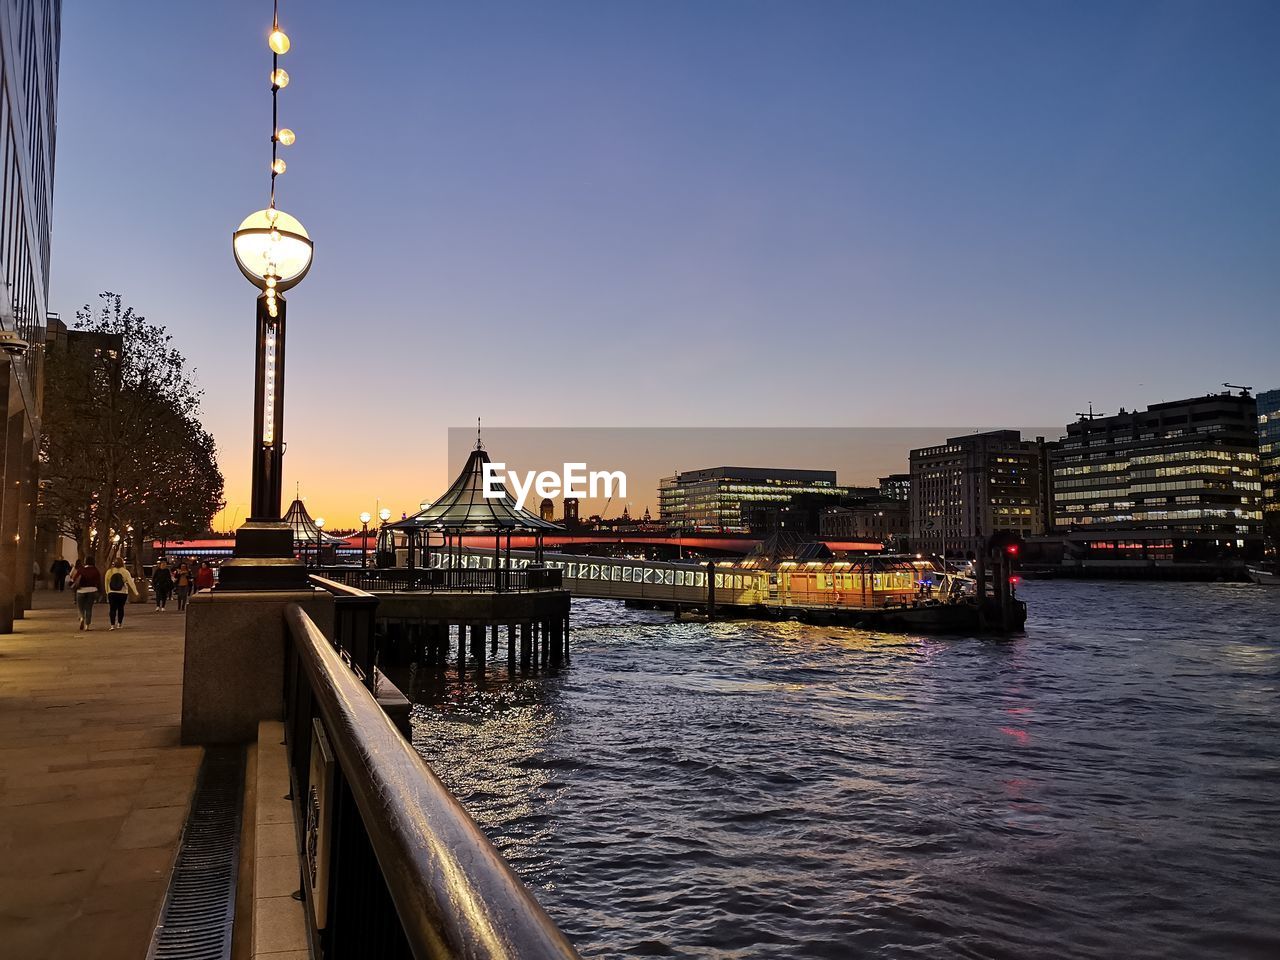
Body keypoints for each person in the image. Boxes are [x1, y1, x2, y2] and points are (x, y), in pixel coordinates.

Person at [104, 557, 138, 630]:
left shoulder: (109, 571)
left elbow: (106, 583)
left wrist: (107, 591)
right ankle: (119, 624)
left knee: (112, 609)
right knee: (120, 608)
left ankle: (112, 625)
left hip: (112, 592)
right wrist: (135, 592)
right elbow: (130, 582)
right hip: (122, 592)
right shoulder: (125, 572)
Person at [72, 558, 102, 631]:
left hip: (81, 591)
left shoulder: (81, 570)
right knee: (89, 608)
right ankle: (87, 626)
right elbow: (98, 582)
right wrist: (100, 591)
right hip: (92, 590)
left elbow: (74, 579)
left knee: (80, 607)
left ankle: (82, 617)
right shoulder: (95, 570)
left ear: (85, 562)